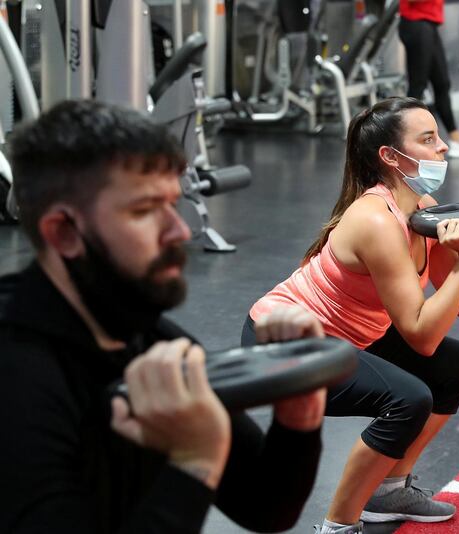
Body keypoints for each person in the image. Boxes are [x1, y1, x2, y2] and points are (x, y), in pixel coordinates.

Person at [0, 100, 326, 533]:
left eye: (173, 203)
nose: (178, 230)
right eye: (143, 210)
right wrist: (193, 466)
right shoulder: (16, 374)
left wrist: (299, 414)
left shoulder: (146, 339)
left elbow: (265, 508)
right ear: (62, 232)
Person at [244, 97, 459, 533]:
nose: (443, 147)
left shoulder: (422, 210)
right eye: (428, 139)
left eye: (439, 136)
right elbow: (421, 335)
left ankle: (388, 491)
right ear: (390, 156)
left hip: (346, 337)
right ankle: (337, 526)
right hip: (282, 341)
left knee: (458, 366)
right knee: (407, 398)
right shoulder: (377, 221)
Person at [398, 0, 459, 158]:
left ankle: (456, 140)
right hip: (416, 22)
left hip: (428, 24)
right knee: (418, 86)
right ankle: (401, 143)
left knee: (442, 83)